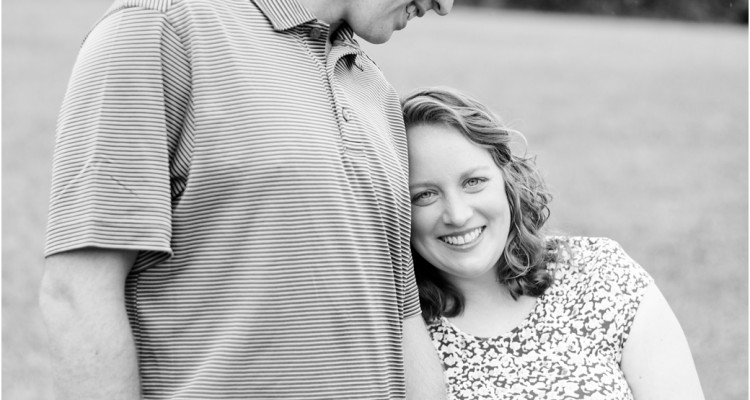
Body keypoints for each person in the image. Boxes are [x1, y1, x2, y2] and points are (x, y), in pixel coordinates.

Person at [38, 1, 453, 399]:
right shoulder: (159, 26)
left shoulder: (373, 88)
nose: (444, 5)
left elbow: (403, 315)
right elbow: (78, 294)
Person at [401, 87, 706, 400]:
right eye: (424, 195)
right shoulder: (392, 336)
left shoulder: (604, 276)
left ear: (507, 180)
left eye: (473, 182)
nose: (458, 215)